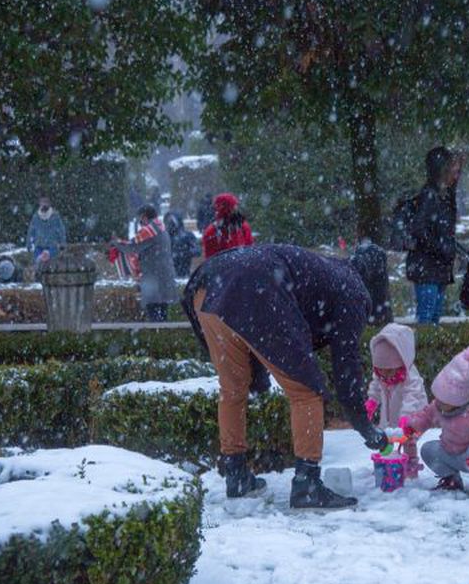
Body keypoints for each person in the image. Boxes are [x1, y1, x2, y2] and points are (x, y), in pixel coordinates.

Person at [181, 243, 389, 509]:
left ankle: (236, 475)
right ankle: (307, 485)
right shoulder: (354, 290)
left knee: (232, 389)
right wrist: (365, 426)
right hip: (252, 287)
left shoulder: (331, 270)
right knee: (307, 391)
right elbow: (345, 366)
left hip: (209, 283)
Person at [402, 345, 469, 497]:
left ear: (461, 400)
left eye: (445, 401)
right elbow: (426, 416)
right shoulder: (440, 405)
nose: (439, 403)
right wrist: (413, 427)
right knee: (428, 450)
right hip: (451, 453)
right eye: (438, 397)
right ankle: (451, 479)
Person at [406, 146, 462, 324]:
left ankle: (426, 350)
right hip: (428, 268)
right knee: (427, 319)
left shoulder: (444, 196)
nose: (457, 174)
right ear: (442, 170)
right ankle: (421, 351)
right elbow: (419, 229)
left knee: (433, 318)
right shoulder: (430, 196)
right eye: (454, 170)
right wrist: (441, 247)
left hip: (437, 268)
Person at [365, 323, 429, 478]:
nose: (385, 375)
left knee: (409, 440)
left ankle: (411, 465)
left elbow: (412, 397)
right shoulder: (380, 375)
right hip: (390, 414)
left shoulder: (410, 377)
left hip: (413, 415)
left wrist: (406, 419)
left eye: (389, 371)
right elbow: (375, 387)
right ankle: (386, 461)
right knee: (386, 438)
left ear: (401, 363)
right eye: (380, 370)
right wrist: (371, 403)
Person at [113, 204, 179, 322]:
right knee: (163, 317)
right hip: (165, 278)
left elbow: (131, 247)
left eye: (140, 219)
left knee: (154, 318)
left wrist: (116, 243)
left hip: (154, 280)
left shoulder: (150, 230)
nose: (139, 223)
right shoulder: (161, 228)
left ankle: (157, 338)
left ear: (144, 217)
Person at [201, 192, 253, 258]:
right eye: (233, 208)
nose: (236, 211)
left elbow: (249, 250)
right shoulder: (211, 232)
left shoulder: (243, 227)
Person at [27, 195, 66, 265]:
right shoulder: (35, 217)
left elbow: (61, 230)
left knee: (52, 264)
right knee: (37, 264)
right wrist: (29, 245)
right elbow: (31, 232)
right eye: (42, 202)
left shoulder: (55, 216)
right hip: (39, 247)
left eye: (46, 202)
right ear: (39, 203)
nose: (44, 204)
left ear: (49, 203)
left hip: (52, 248)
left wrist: (62, 244)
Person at [165, 210, 201, 278]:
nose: (169, 224)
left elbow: (198, 250)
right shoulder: (165, 237)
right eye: (168, 222)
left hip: (184, 272)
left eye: (172, 222)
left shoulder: (187, 235)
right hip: (169, 275)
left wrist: (185, 253)